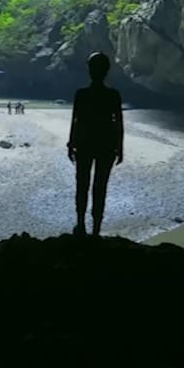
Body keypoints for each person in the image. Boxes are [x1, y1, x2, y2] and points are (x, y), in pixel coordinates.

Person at [66, 52, 124, 236]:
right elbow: (119, 123)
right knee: (100, 186)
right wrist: (120, 147)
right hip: (106, 144)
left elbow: (75, 120)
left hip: (84, 142)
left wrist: (71, 143)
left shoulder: (81, 94)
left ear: (89, 70)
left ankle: (81, 224)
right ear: (106, 71)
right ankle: (96, 229)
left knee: (82, 184)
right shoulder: (113, 95)